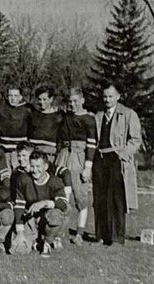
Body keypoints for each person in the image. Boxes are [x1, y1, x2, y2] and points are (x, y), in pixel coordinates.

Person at [92, 81, 141, 246]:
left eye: (110, 96)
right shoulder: (98, 116)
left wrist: (122, 154)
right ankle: (100, 236)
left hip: (117, 161)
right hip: (100, 160)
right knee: (99, 198)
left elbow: (135, 140)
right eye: (104, 97)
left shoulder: (128, 114)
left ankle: (116, 238)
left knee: (116, 200)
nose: (107, 100)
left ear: (118, 97)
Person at [55, 87, 97, 246]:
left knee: (81, 196)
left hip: (80, 157)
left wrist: (88, 167)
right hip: (64, 155)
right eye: (70, 101)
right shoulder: (65, 117)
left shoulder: (89, 119)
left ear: (82, 100)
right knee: (61, 193)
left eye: (75, 101)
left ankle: (79, 233)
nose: (72, 104)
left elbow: (92, 145)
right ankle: (60, 231)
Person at [12, 151, 69, 258]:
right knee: (19, 250)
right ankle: (36, 241)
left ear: (46, 166)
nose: (35, 170)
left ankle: (47, 242)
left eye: (38, 166)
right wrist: (19, 232)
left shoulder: (55, 181)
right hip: (30, 218)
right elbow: (19, 206)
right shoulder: (23, 179)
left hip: (47, 217)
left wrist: (44, 203)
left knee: (55, 215)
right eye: (32, 166)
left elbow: (64, 204)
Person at [0, 87, 32, 169]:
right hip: (4, 148)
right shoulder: (1, 106)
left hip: (18, 150)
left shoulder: (27, 109)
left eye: (15, 96)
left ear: (20, 97)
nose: (13, 98)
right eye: (10, 95)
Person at [28, 85, 63, 162]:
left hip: (49, 153)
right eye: (39, 99)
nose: (41, 102)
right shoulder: (33, 114)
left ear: (51, 99)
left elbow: (60, 138)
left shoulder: (58, 116)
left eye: (44, 99)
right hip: (34, 152)